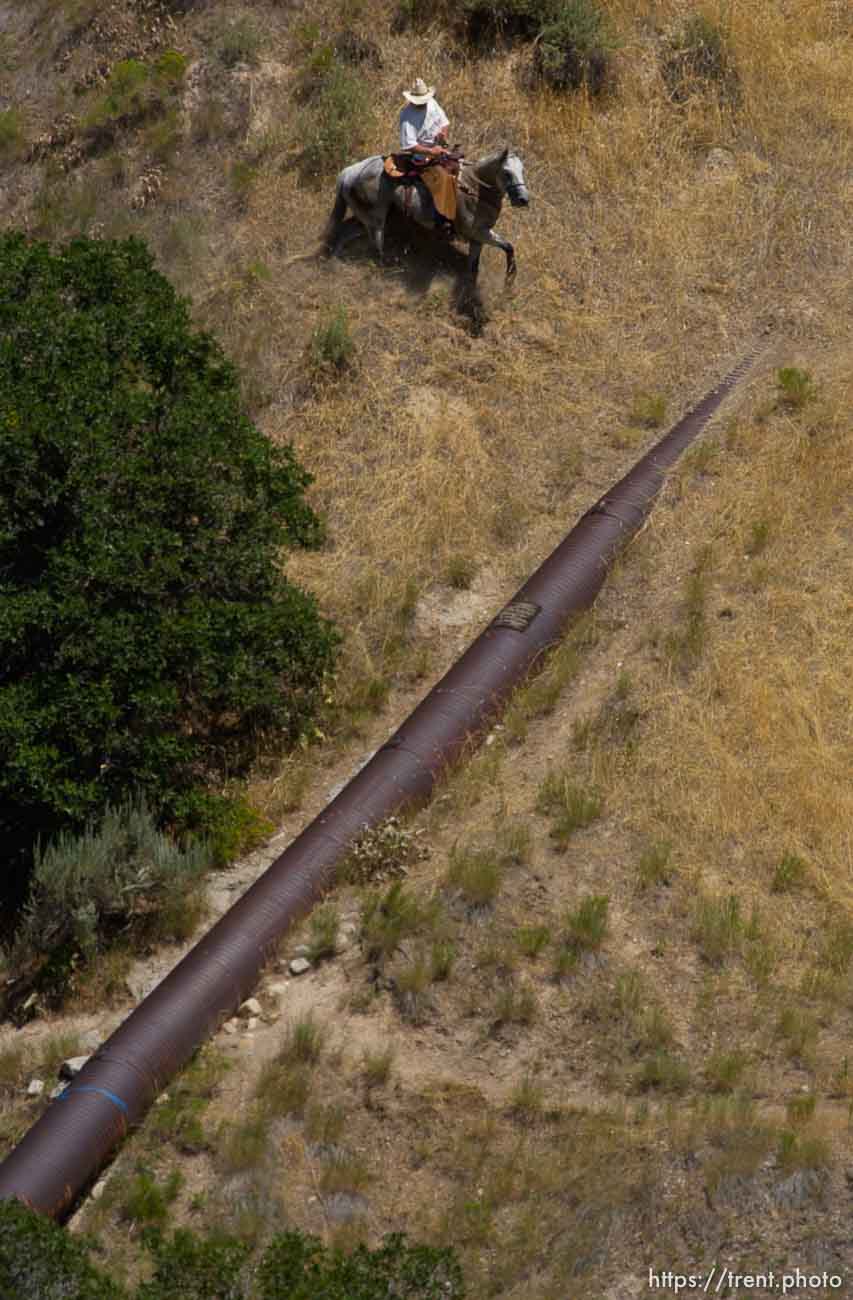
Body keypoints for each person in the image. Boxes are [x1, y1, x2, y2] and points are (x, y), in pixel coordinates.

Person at [397, 78, 455, 234]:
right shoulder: (407, 116)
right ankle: (441, 220)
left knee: (460, 168)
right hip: (422, 159)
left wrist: (443, 134)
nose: (422, 102)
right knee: (442, 179)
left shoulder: (432, 103)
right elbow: (408, 145)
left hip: (439, 150)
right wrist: (431, 151)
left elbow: (444, 122)